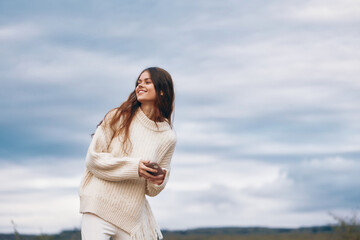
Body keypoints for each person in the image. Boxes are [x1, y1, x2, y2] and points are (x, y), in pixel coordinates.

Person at [79, 67, 177, 240]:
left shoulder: (167, 136)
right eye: (139, 82)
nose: (140, 86)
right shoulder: (117, 117)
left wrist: (159, 179)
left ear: (162, 91)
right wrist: (135, 167)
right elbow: (93, 160)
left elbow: (151, 190)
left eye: (147, 82)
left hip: (131, 218)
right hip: (99, 206)